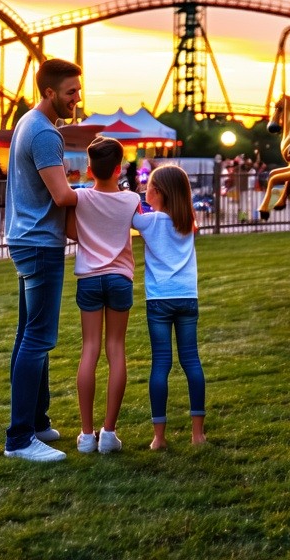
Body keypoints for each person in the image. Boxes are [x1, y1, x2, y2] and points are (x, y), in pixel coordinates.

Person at [3, 58, 82, 462]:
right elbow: (63, 196)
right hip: (39, 245)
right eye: (71, 92)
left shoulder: (26, 122)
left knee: (27, 334)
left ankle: (35, 422)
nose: (77, 98)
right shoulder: (46, 134)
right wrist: (102, 191)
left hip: (25, 240)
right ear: (49, 92)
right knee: (39, 337)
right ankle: (19, 439)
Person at [65, 135, 140, 455]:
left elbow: (71, 232)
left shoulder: (80, 198)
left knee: (90, 350)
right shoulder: (132, 199)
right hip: (120, 278)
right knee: (116, 349)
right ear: (119, 168)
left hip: (90, 280)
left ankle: (85, 435)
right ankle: (109, 433)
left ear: (90, 169)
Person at [132, 164, 207, 450]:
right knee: (191, 362)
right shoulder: (188, 221)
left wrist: (133, 199)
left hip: (159, 300)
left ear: (159, 192)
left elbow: (127, 211)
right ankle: (197, 434)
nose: (144, 189)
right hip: (188, 297)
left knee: (161, 365)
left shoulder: (149, 222)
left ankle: (159, 437)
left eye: (148, 185)